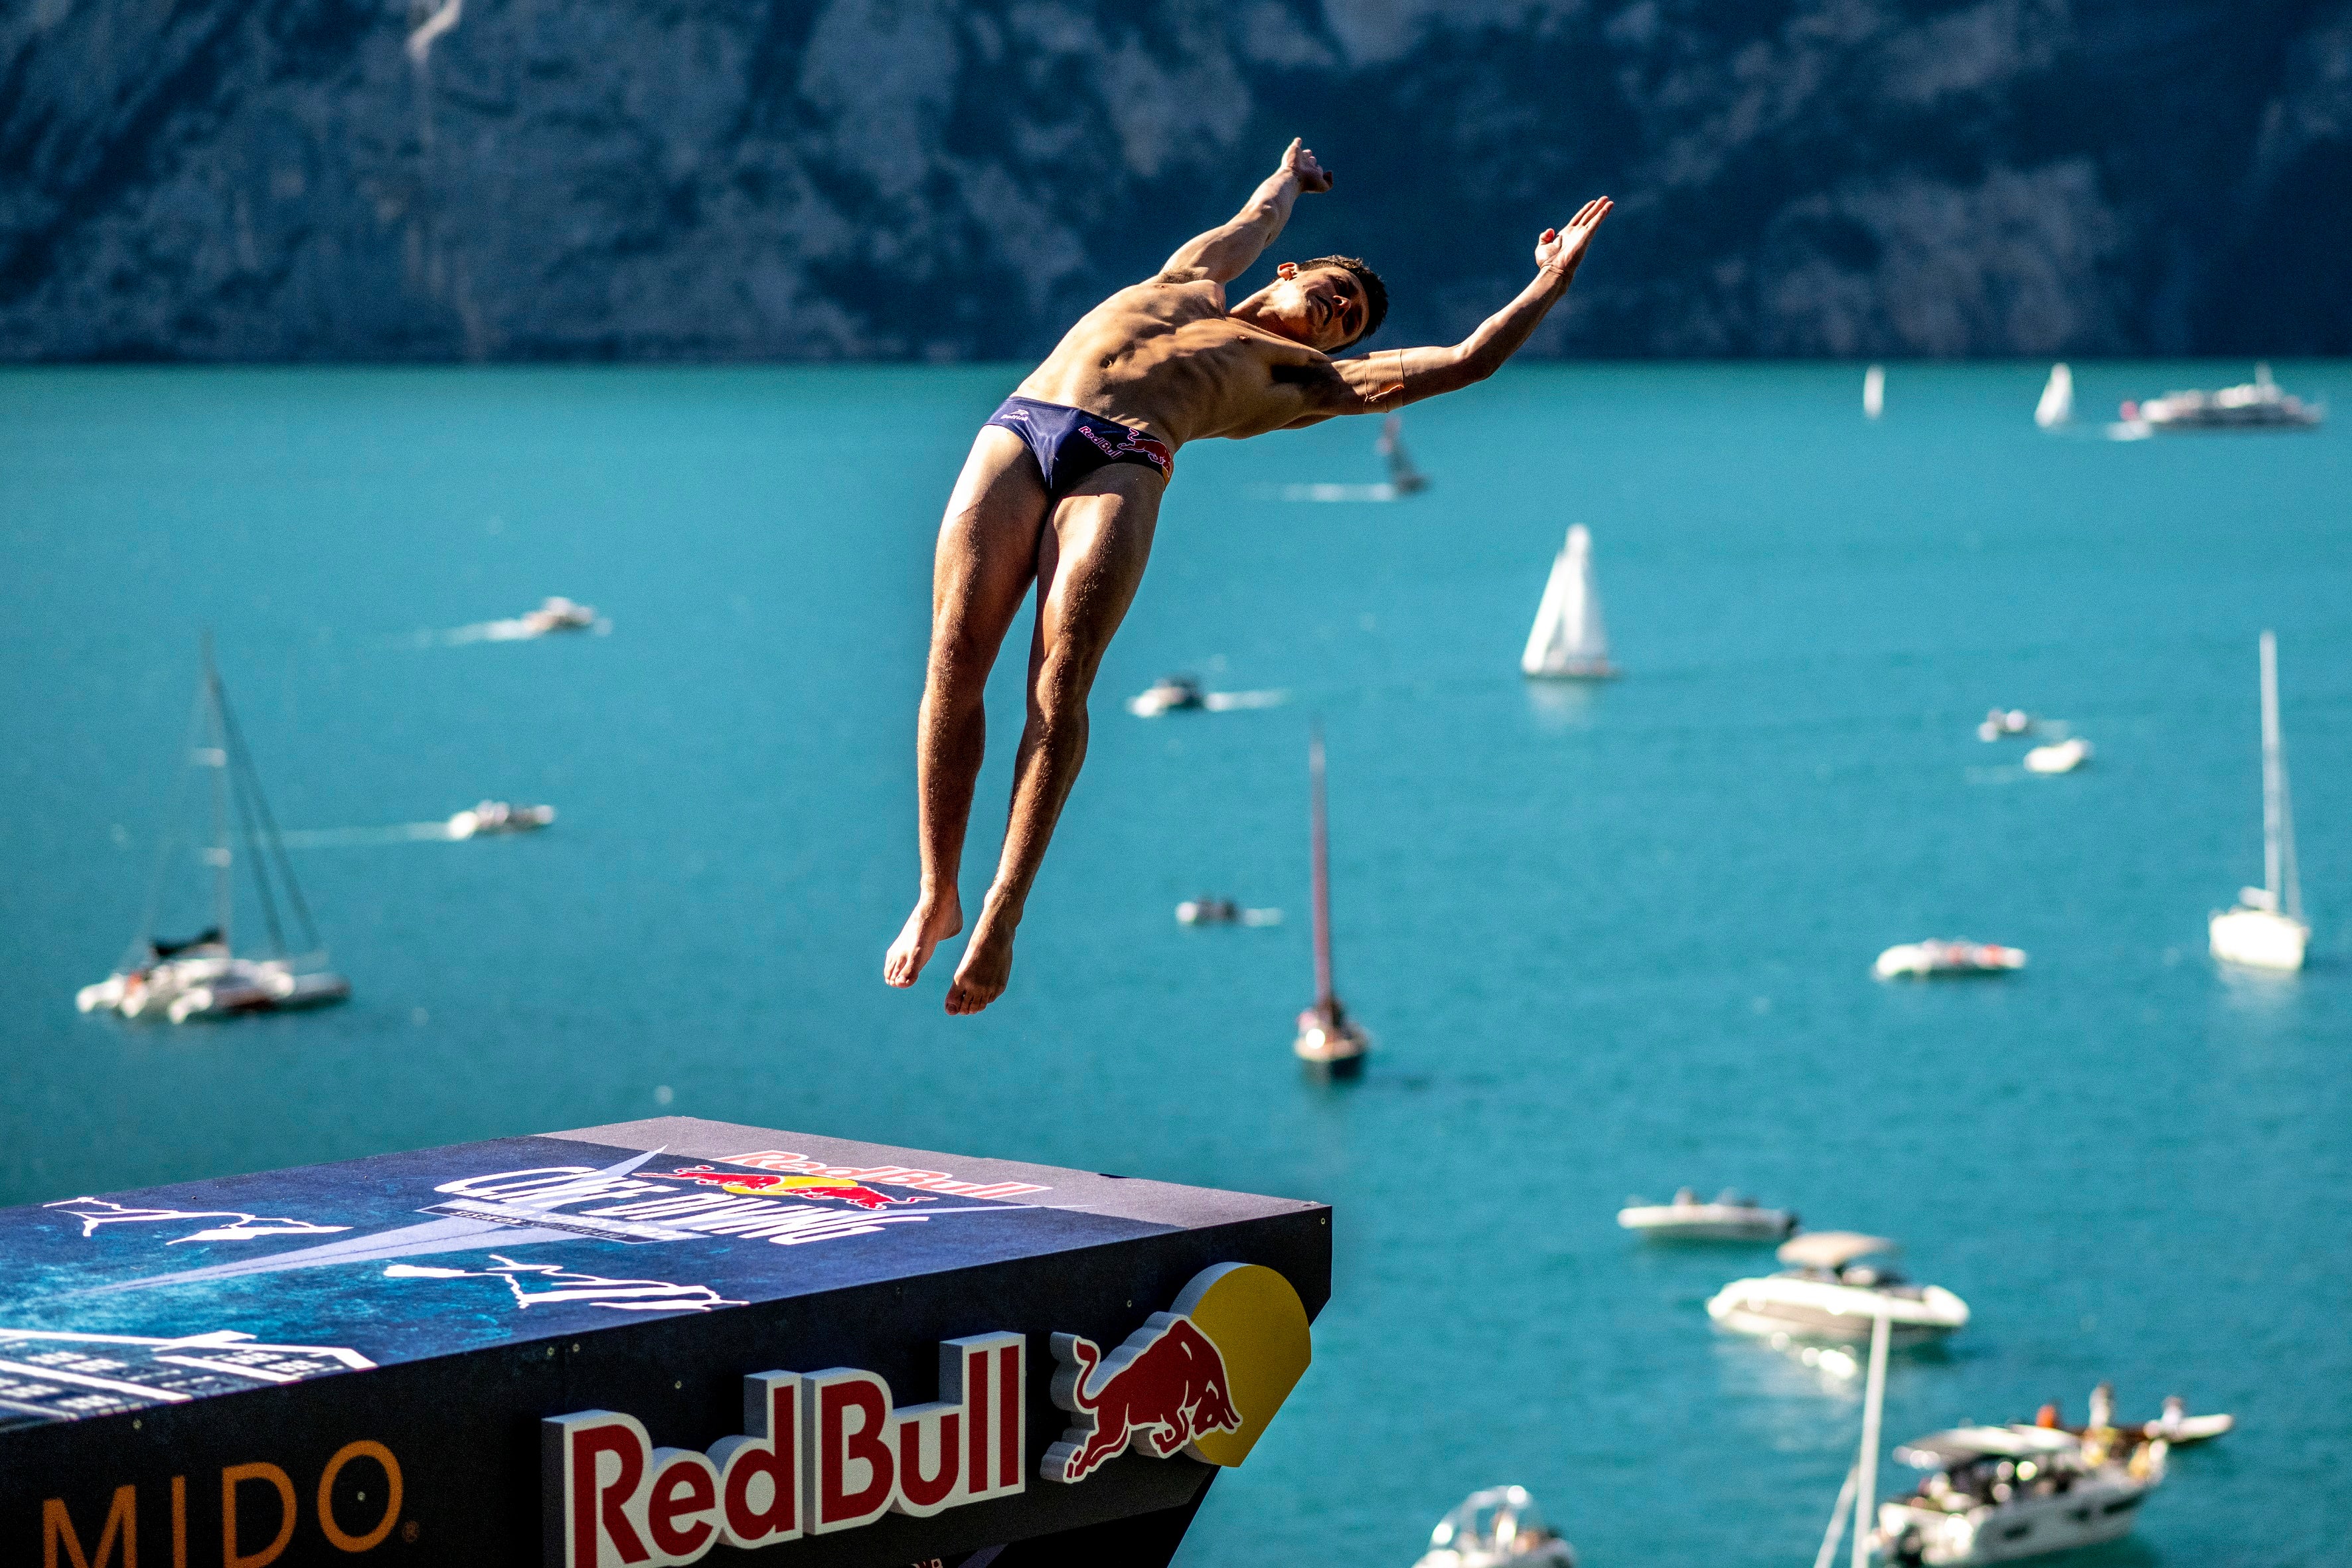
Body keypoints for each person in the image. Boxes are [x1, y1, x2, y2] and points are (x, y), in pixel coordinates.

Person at [884, 137, 1614, 1012]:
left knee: (1059, 681)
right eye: (1336, 293)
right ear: (1296, 271)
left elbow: (1462, 361)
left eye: (1348, 321)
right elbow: (1252, 223)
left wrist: (1548, 283)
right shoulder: (1188, 277)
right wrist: (1292, 179)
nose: (1339, 313)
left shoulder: (1306, 378)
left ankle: (1003, 906)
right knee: (955, 657)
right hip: (1024, 424)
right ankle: (938, 888)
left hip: (1124, 459)